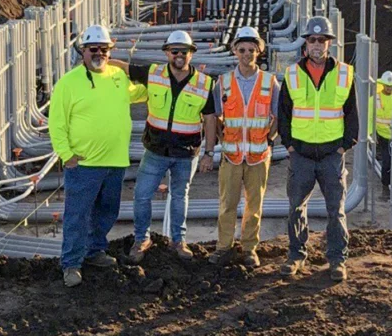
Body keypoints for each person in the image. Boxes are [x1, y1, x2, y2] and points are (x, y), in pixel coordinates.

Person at [49, 25, 147, 288]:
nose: (99, 54)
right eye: (94, 49)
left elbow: (142, 93)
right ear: (83, 51)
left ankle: (94, 252)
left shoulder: (117, 76)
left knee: (107, 211)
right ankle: (71, 263)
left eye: (105, 49)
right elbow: (57, 123)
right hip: (83, 164)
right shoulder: (68, 83)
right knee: (77, 215)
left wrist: (166, 80)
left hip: (114, 162)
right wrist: (66, 154)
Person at [110, 30, 215, 264]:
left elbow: (210, 119)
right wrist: (101, 60)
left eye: (184, 51)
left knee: (180, 196)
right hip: (155, 150)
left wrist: (209, 152)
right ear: (167, 52)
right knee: (141, 195)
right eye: (174, 51)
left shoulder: (204, 84)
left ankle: (179, 241)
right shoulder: (154, 73)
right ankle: (141, 239)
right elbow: (125, 68)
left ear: (191, 54)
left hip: (186, 153)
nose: (179, 55)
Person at [278, 16, 358, 282]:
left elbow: (352, 113)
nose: (316, 44)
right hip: (300, 154)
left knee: (336, 210)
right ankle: (297, 255)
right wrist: (288, 144)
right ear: (305, 43)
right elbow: (284, 113)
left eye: (322, 40)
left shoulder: (345, 73)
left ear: (329, 43)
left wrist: (345, 145)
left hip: (330, 155)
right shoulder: (292, 74)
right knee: (296, 207)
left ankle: (337, 260)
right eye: (312, 40)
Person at [202, 27, 279, 268]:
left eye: (251, 50)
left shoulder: (270, 82)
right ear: (235, 51)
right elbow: (213, 118)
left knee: (254, 206)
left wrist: (269, 139)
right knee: (227, 204)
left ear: (259, 51)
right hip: (231, 155)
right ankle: (224, 247)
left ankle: (249, 248)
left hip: (258, 156)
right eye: (242, 50)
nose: (247, 54)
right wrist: (209, 151)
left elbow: (277, 116)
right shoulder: (223, 83)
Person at [373, 71, 392, 189]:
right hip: (382, 134)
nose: (389, 88)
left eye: (391, 87)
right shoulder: (376, 98)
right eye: (387, 86)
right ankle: (386, 184)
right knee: (387, 160)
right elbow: (369, 116)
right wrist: (370, 134)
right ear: (382, 84)